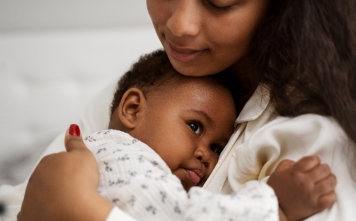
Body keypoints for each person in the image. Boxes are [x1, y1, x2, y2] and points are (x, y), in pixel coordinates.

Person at [5, 0, 356, 220]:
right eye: (194, 126)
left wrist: (77, 208)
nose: (179, 25)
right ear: (132, 108)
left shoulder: (318, 136)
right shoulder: (145, 92)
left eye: (220, 2)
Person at [80, 50, 335, 221]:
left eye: (216, 148)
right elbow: (185, 215)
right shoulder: (121, 159)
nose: (205, 156)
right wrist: (274, 203)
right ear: (133, 109)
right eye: (194, 126)